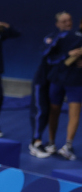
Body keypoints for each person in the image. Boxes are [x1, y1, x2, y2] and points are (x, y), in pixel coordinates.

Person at [32, 12, 72, 157]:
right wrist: (67, 54)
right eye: (64, 21)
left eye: (69, 20)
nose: (68, 23)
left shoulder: (72, 39)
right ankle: (35, 142)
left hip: (56, 81)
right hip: (42, 80)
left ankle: (49, 143)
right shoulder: (51, 38)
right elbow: (47, 56)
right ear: (57, 24)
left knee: (49, 111)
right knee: (40, 110)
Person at [46, 24, 82, 161]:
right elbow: (51, 55)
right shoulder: (64, 36)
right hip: (58, 78)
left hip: (77, 81)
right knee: (54, 110)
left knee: (75, 113)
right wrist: (69, 54)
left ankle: (68, 146)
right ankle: (51, 143)